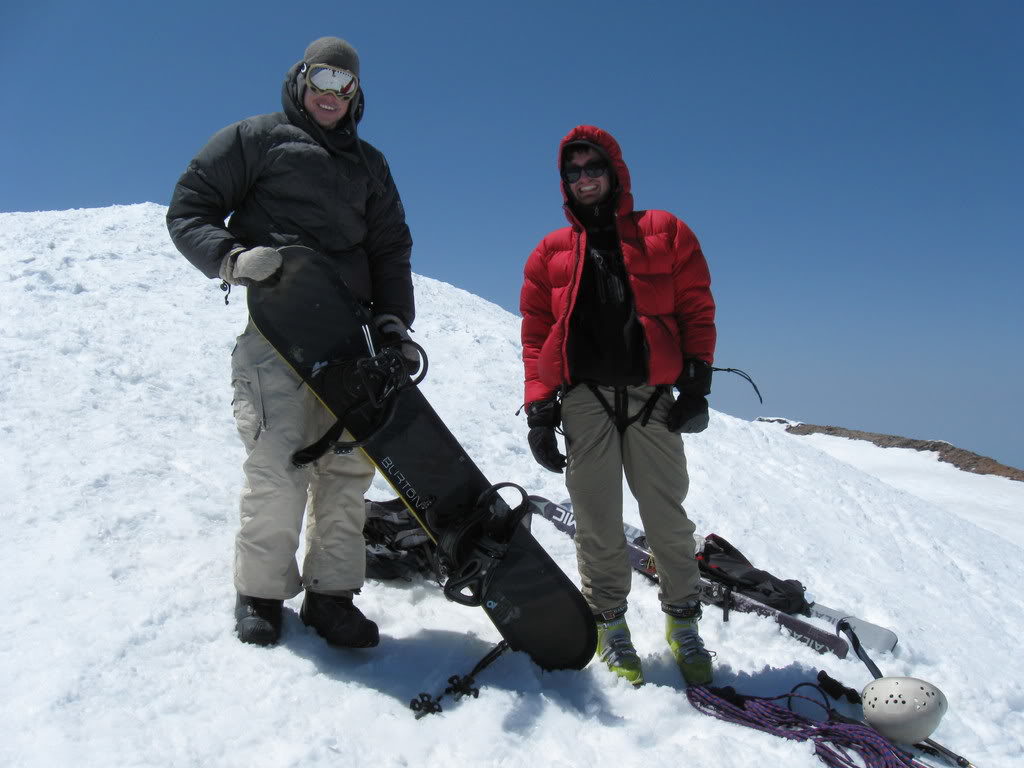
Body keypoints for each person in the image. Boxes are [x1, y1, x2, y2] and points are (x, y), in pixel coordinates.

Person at [167, 37, 414, 648]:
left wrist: (393, 325)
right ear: (302, 78)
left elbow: (389, 249)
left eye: (344, 83)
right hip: (277, 328)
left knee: (346, 469)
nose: (330, 93)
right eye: (321, 78)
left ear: (356, 94)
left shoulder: (370, 165)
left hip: (349, 338)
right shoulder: (255, 138)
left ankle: (332, 598)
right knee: (277, 463)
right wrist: (230, 258)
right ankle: (261, 593)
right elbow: (189, 207)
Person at [520, 125, 717, 687]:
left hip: (652, 397)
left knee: (667, 521)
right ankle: (611, 627)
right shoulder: (550, 253)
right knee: (597, 522)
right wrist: (539, 409)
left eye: (593, 168)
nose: (584, 180)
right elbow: (536, 337)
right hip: (584, 400)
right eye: (573, 172)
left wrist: (697, 384)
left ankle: (683, 624)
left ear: (614, 171)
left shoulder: (665, 232)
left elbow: (696, 308)